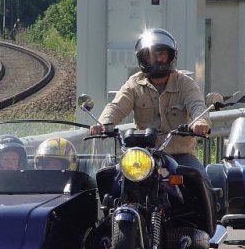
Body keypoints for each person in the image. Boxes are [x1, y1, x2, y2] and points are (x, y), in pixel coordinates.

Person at [89, 28, 211, 180]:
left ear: (171, 56)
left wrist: (200, 122)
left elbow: (197, 105)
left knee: (201, 180)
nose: (157, 58)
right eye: (151, 55)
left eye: (162, 53)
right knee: (112, 181)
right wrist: (103, 123)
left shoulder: (185, 83)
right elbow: (116, 107)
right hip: (143, 157)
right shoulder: (134, 84)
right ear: (143, 58)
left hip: (180, 155)